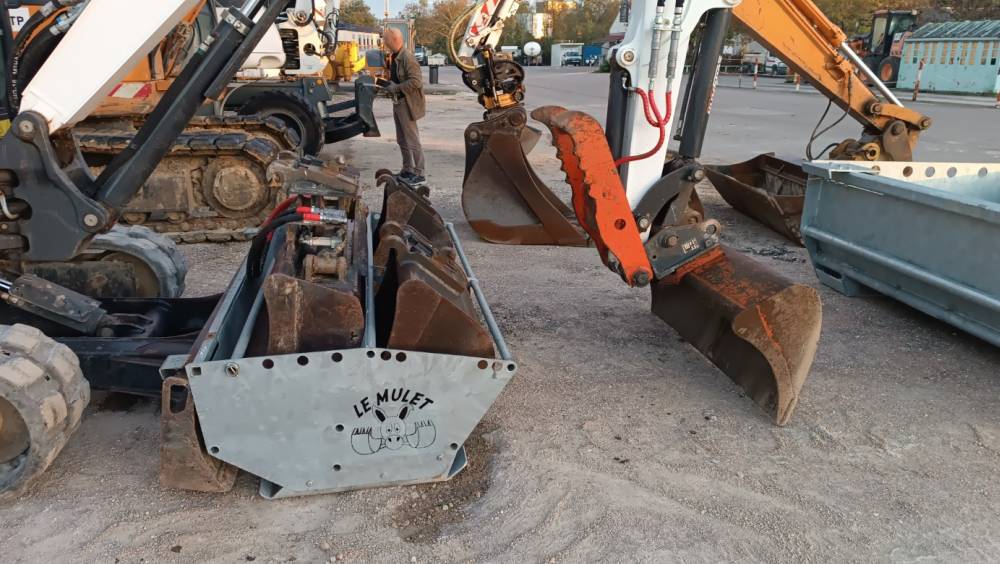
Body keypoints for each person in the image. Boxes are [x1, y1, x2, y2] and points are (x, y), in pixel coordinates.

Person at [380, 28, 426, 184]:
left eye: (386, 41)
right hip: (398, 102)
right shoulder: (395, 56)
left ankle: (419, 174)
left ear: (394, 40)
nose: (385, 44)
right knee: (402, 140)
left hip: (407, 104)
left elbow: (416, 81)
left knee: (412, 140)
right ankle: (407, 170)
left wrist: (396, 88)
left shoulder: (407, 57)